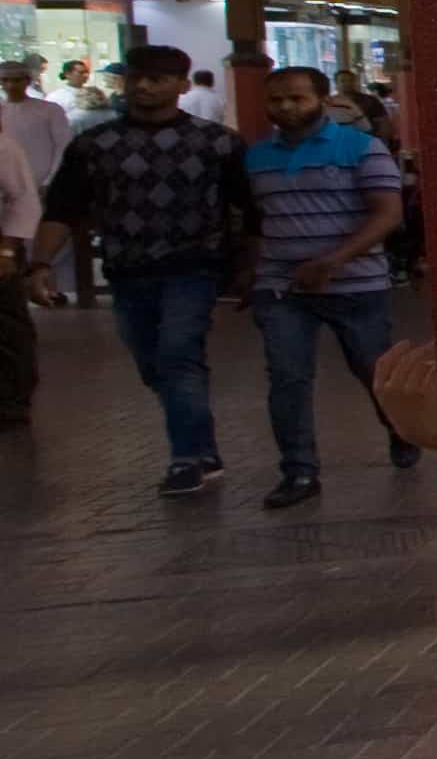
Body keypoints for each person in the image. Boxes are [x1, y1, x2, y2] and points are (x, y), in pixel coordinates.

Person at [33, 45, 254, 491]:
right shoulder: (95, 145)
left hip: (194, 267)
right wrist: (40, 263)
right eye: (137, 78)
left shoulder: (217, 143)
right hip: (127, 270)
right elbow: (63, 208)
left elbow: (249, 208)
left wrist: (251, 265)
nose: (145, 86)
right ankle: (202, 445)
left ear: (182, 85)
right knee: (154, 364)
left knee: (177, 355)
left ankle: (186, 459)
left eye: (158, 79)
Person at [239, 65, 415, 506]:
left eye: (296, 98)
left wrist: (335, 260)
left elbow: (388, 214)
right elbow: (255, 221)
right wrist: (251, 271)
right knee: (288, 377)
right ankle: (299, 472)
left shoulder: (361, 148)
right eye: (276, 99)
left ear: (321, 99)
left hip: (356, 285)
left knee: (372, 370)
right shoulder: (257, 157)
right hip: (283, 288)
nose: (285, 107)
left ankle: (402, 430)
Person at [0, 99, 38, 430]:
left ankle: (11, 401)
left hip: (1, 246)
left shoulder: (4, 148)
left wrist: (7, 251)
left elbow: (23, 199)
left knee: (7, 328)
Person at [1, 59, 66, 195]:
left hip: (44, 186)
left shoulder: (50, 110)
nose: (11, 85)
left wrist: (49, 181)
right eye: (5, 80)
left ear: (27, 81)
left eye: (17, 80)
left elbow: (63, 146)